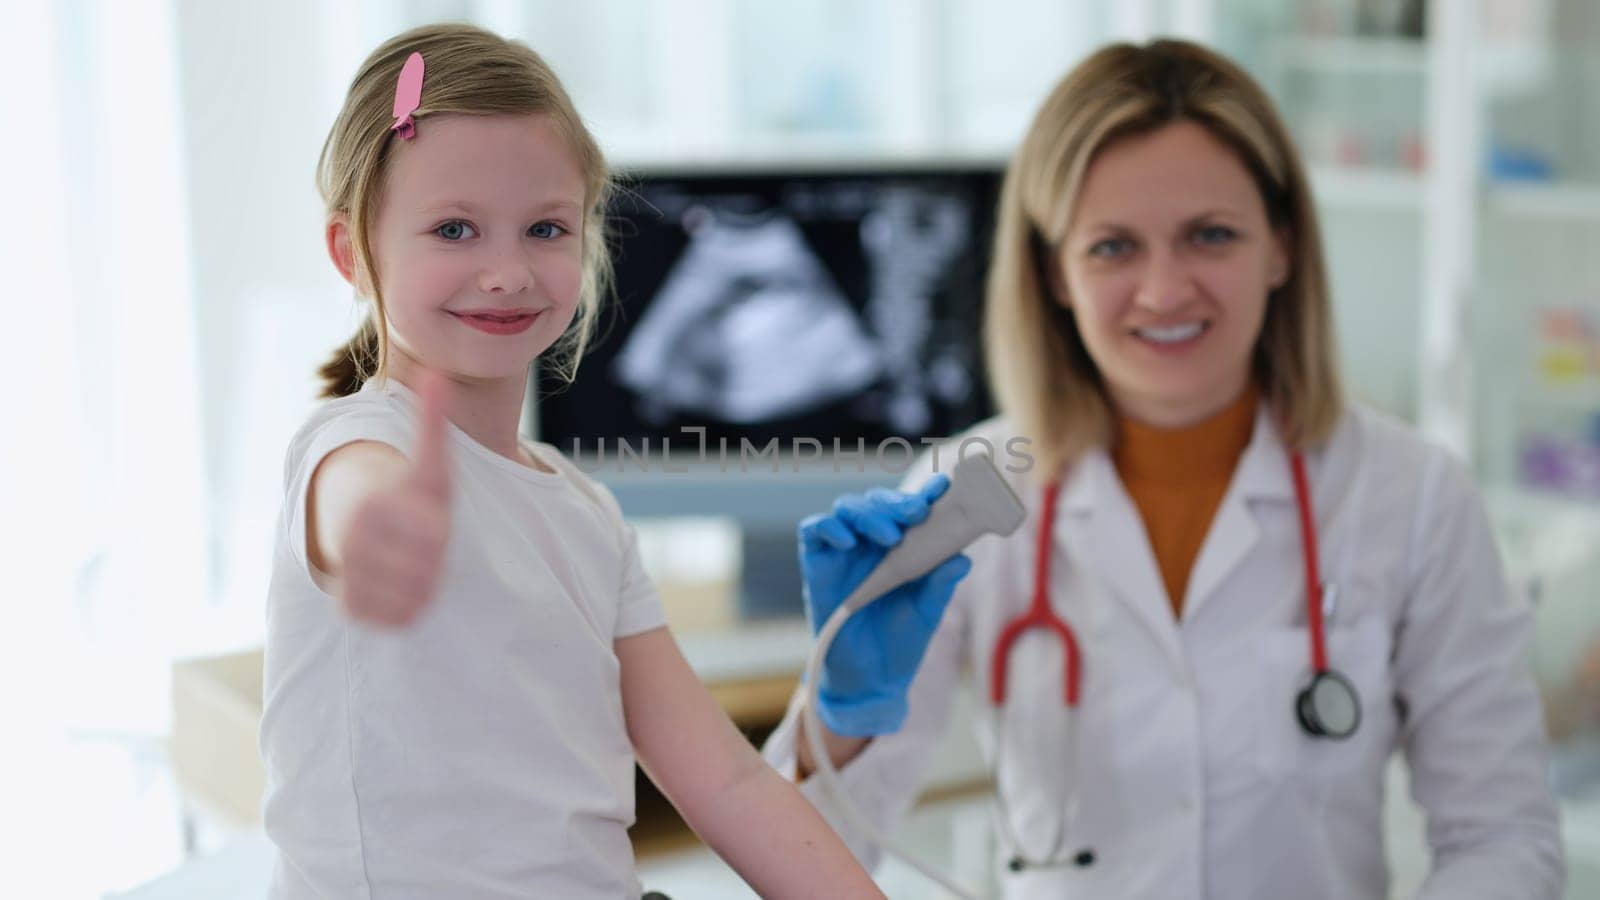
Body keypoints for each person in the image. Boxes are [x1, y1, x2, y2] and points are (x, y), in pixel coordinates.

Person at [765, 39, 1565, 899]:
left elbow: (1502, 836)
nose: (1164, 290)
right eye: (1113, 248)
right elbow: (804, 867)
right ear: (1055, 273)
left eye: (1210, 235)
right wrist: (836, 722)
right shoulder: (964, 494)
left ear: (1282, 248)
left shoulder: (1411, 495)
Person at [258, 23, 881, 900]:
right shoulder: (359, 448)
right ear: (352, 253)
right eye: (455, 229)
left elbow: (727, 784)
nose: (508, 270)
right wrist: (384, 530)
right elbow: (356, 502)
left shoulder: (586, 512)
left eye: (545, 228)